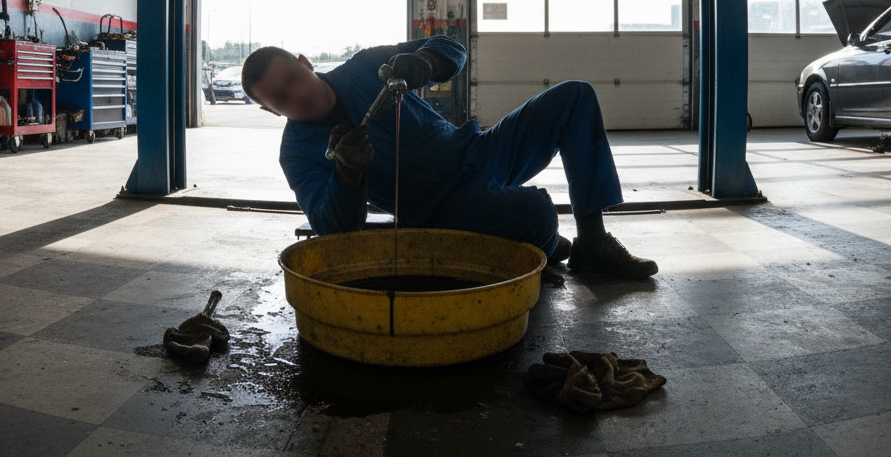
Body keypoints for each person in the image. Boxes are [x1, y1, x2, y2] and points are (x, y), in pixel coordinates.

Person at [241, 36, 657, 279]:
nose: (297, 96)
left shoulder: (368, 66)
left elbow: (451, 47)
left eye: (293, 80)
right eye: (280, 98)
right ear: (270, 110)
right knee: (536, 213)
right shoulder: (296, 154)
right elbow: (334, 228)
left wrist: (427, 61)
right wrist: (348, 173)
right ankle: (539, 238)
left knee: (574, 96)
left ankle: (592, 242)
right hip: (439, 207)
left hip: (478, 151)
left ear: (304, 63)